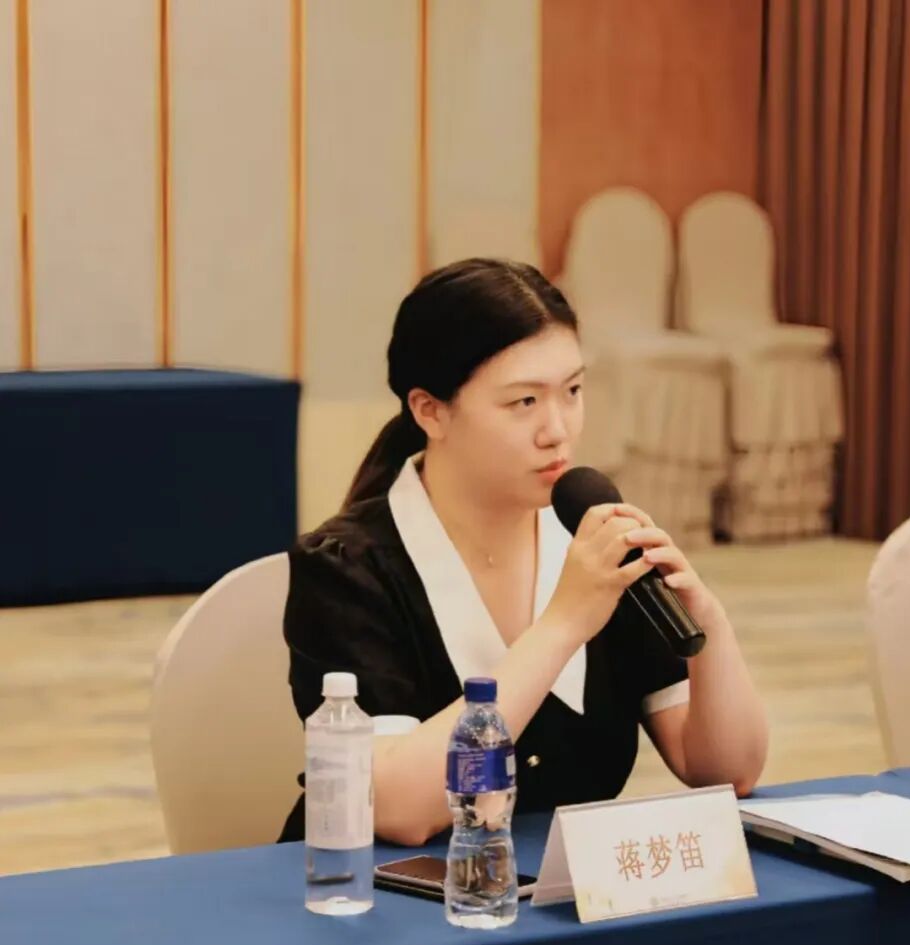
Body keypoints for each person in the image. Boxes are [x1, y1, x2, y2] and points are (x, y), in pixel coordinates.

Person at [279, 258, 768, 845]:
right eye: (524, 403)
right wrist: (563, 624)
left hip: (554, 891)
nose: (557, 430)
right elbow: (397, 810)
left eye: (573, 391)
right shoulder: (345, 568)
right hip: (376, 891)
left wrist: (709, 624)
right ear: (430, 410)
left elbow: (726, 771)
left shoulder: (594, 543)